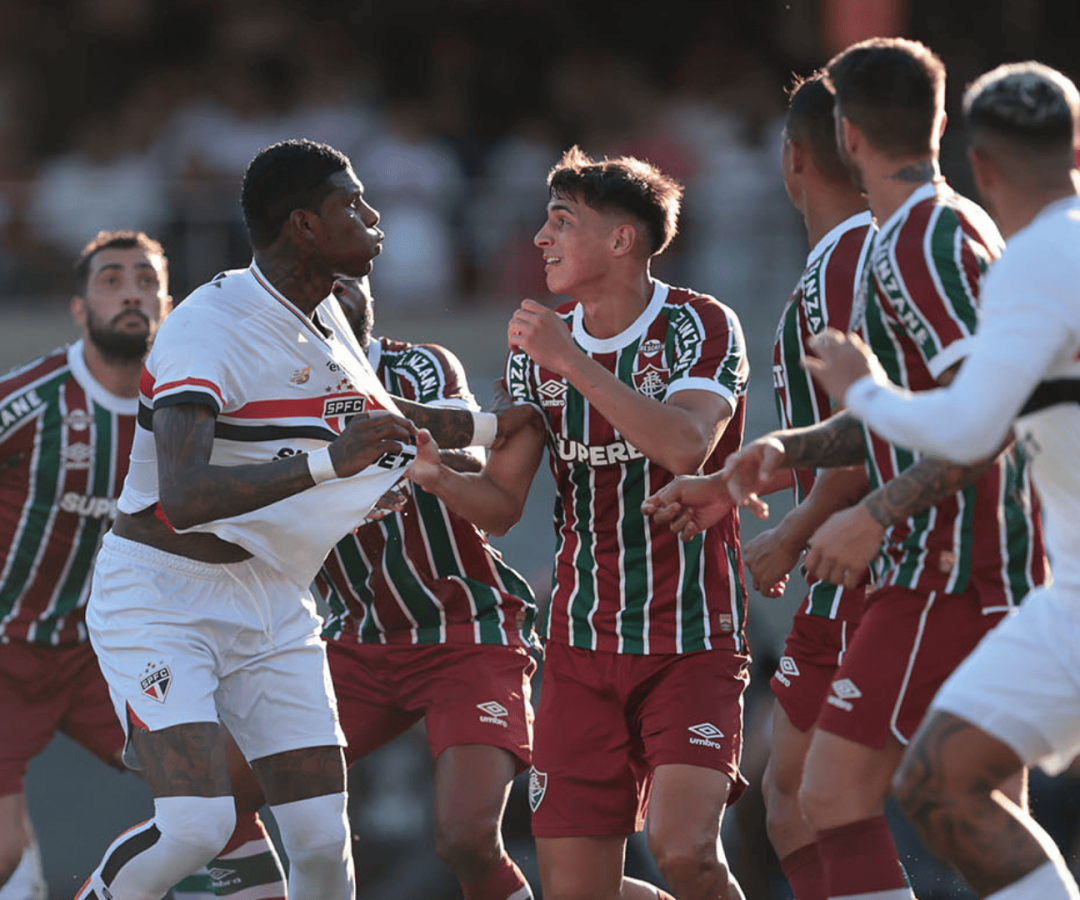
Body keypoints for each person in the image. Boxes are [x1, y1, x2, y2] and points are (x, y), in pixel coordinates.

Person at [645, 39, 1046, 900]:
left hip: (942, 561)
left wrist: (848, 518)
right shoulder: (922, 233)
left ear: (839, 136)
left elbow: (988, 410)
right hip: (942, 555)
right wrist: (782, 454)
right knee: (955, 801)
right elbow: (918, 412)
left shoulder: (907, 244)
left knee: (824, 795)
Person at [75, 140, 523, 900]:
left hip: (272, 596)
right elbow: (181, 495)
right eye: (353, 202)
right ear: (306, 227)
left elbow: (386, 420)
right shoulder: (208, 325)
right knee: (196, 825)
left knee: (319, 841)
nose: (375, 215)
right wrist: (327, 466)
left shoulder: (325, 313)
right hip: (160, 593)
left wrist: (501, 425)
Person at [408, 146, 751, 900]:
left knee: (684, 850)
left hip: (690, 639)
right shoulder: (536, 353)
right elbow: (502, 505)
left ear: (621, 240)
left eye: (561, 221)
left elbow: (687, 445)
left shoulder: (700, 325)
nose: (539, 238)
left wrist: (572, 362)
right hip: (579, 646)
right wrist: (438, 476)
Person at [807, 61, 1080, 900]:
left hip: (967, 569)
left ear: (983, 165)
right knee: (946, 783)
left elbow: (970, 423)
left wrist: (863, 391)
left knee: (913, 788)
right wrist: (790, 454)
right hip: (1048, 587)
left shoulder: (986, 251)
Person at [0, 231, 287, 900]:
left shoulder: (197, 404)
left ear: (169, 302)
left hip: (116, 651)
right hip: (9, 653)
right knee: (4, 853)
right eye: (110, 280)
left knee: (214, 792)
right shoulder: (31, 401)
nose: (130, 292)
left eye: (145, 281)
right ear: (79, 308)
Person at [310, 274, 538, 900]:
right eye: (317, 276)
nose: (337, 293)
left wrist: (381, 424)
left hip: (465, 630)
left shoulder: (420, 364)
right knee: (214, 798)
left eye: (347, 277)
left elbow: (472, 458)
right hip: (355, 638)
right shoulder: (264, 392)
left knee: (466, 838)